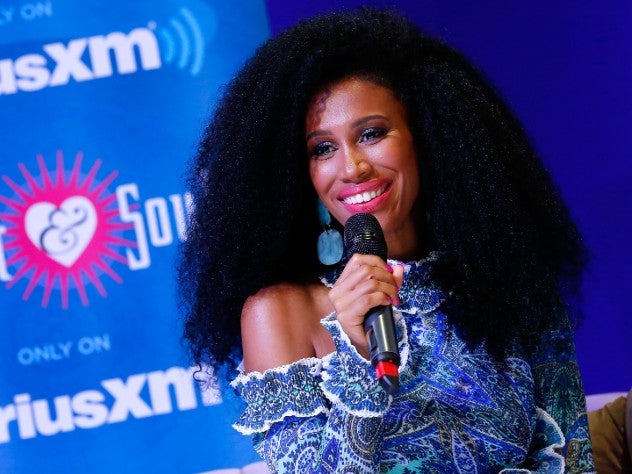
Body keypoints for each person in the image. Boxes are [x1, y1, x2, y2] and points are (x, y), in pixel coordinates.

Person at [178, 7, 594, 473]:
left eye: (371, 134)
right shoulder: (279, 313)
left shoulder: (506, 278)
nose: (352, 167)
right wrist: (356, 355)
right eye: (323, 148)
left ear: (427, 137)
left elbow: (571, 456)